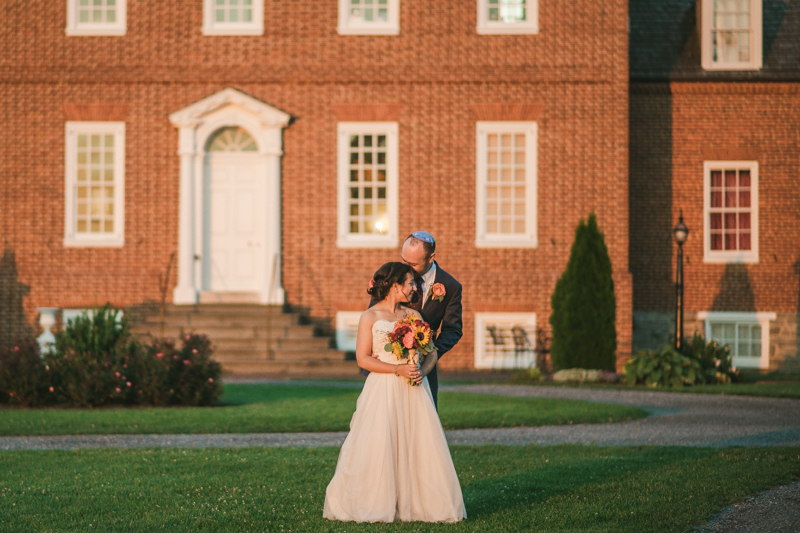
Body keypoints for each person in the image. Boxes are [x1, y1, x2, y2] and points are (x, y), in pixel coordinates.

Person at [323, 262, 466, 523]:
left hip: (414, 390)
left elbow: (432, 352)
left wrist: (422, 371)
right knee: (379, 444)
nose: (415, 288)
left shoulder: (414, 316)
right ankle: (376, 502)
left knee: (418, 443)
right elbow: (363, 359)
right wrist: (396, 369)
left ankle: (421, 504)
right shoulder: (370, 317)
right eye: (411, 283)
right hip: (382, 388)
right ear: (395, 285)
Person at [396, 231, 463, 410]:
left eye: (413, 264)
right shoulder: (392, 277)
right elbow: (375, 314)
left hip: (424, 370)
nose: (406, 269)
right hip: (391, 366)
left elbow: (452, 329)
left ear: (431, 257)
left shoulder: (451, 286)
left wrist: (430, 355)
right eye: (404, 261)